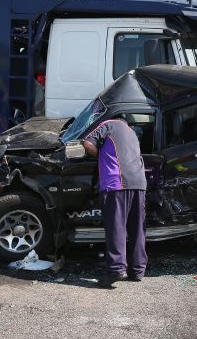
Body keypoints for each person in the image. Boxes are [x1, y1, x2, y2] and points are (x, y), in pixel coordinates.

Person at [83, 118, 148, 288]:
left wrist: (101, 155)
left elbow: (87, 143)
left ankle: (116, 270)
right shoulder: (133, 133)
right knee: (137, 228)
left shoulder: (108, 124)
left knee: (117, 227)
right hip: (139, 183)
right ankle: (137, 270)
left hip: (117, 182)